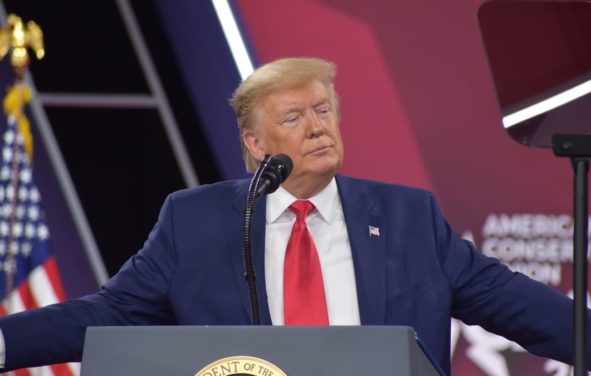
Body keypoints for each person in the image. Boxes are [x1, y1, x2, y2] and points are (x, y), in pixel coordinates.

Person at [0, 57, 587, 374]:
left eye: (324, 109)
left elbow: (520, 306)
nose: (317, 126)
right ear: (256, 144)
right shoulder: (195, 220)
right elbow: (110, 313)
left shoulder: (408, 218)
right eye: (294, 117)